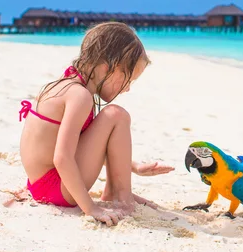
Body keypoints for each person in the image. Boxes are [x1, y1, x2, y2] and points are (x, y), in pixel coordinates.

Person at [18, 22, 174, 226]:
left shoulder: (66, 85)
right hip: (55, 188)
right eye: (127, 80)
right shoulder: (79, 96)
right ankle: (120, 194)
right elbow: (63, 158)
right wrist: (90, 208)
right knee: (116, 115)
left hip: (39, 184)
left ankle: (118, 188)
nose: (127, 89)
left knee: (112, 116)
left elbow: (83, 145)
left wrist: (134, 167)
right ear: (105, 68)